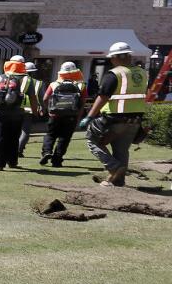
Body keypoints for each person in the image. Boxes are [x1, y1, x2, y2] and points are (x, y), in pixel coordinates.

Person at [84, 42, 148, 187]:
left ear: (115, 57)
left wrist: (90, 116)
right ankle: (118, 181)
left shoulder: (115, 73)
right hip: (135, 119)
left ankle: (114, 167)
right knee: (121, 150)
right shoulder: (142, 73)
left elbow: (103, 96)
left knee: (92, 141)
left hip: (114, 119)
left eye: (111, 58)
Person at [0, 56, 38, 171]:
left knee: (0, 138)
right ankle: (12, 162)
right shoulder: (27, 80)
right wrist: (34, 112)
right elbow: (33, 98)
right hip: (17, 114)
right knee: (14, 139)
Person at [40, 62, 88, 167]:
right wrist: (78, 117)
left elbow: (45, 99)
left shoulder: (54, 84)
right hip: (71, 116)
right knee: (64, 138)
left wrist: (49, 110)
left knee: (50, 134)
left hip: (55, 115)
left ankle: (47, 152)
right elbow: (82, 104)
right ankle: (57, 160)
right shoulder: (81, 85)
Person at [17, 62, 45, 158]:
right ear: (33, 72)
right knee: (25, 132)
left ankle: (14, 148)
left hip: (16, 110)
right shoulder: (39, 83)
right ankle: (19, 150)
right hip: (30, 111)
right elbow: (42, 98)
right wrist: (42, 108)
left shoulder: (17, 80)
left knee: (15, 131)